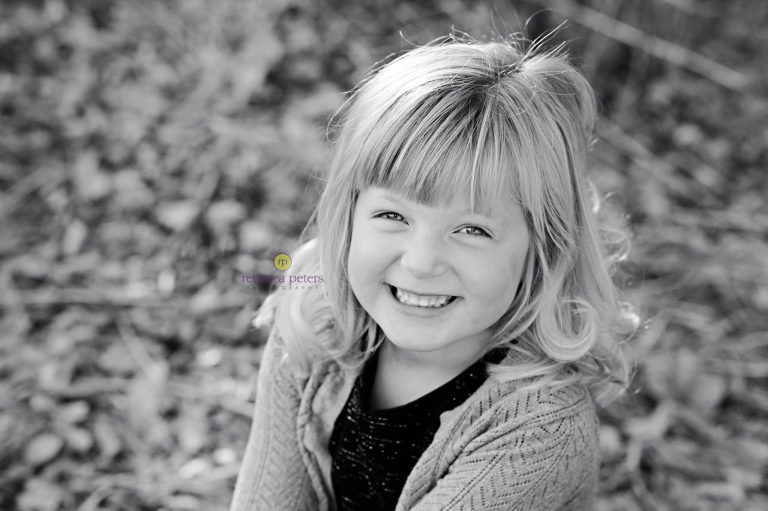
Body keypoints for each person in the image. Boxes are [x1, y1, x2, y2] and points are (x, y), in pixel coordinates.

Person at [230, 33, 638, 511]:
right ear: (348, 216)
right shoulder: (312, 323)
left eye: (472, 230)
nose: (420, 262)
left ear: (542, 249)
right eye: (393, 215)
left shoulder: (541, 433)